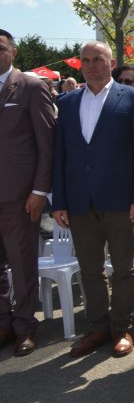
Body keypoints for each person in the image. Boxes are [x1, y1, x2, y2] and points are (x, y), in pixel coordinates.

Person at [51, 41, 134, 358]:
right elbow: (60, 155)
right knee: (89, 269)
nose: (92, 65)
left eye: (99, 59)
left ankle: (121, 328)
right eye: (87, 60)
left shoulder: (132, 98)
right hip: (79, 200)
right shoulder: (66, 102)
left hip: (120, 199)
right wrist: (60, 201)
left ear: (111, 62)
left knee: (123, 269)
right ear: (80, 65)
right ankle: (97, 328)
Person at [0, 29, 57, 357]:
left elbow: (45, 144)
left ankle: (24, 326)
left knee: (22, 265)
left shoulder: (31, 87)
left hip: (20, 197)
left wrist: (39, 190)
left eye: (0, 48)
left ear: (13, 52)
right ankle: (3, 322)